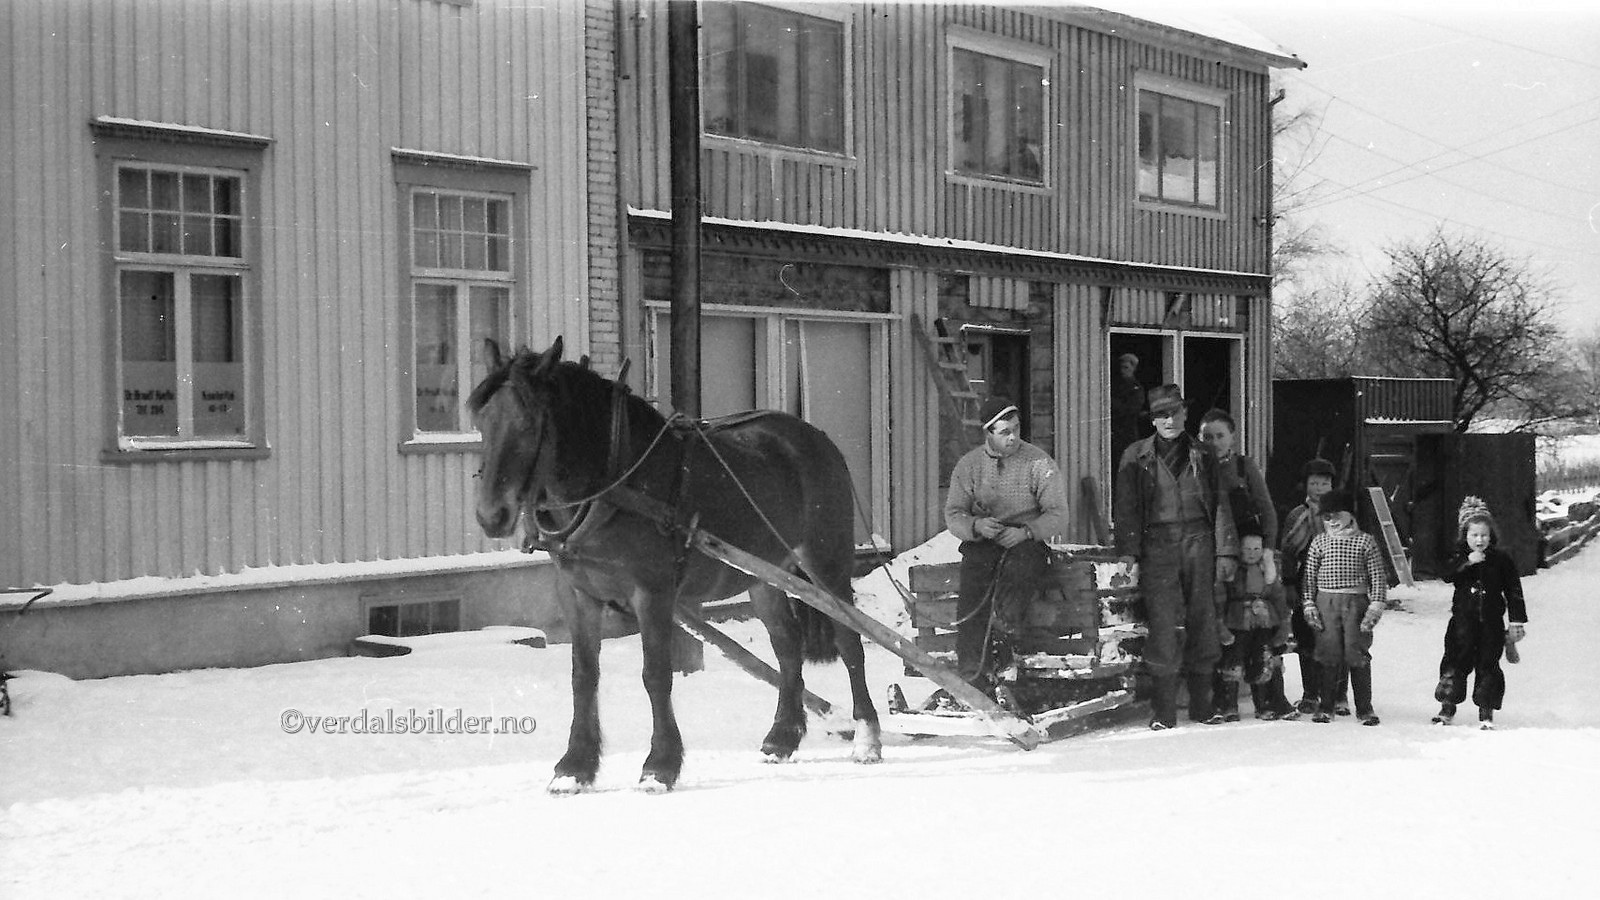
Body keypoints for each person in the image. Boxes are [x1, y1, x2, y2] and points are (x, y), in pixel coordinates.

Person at [1114, 384, 1239, 730]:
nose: (1169, 420)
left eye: (1174, 412)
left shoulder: (1203, 454)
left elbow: (1220, 503)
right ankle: (1164, 709)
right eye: (1161, 415)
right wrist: (1128, 551)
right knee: (1163, 621)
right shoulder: (1136, 456)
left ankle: (1202, 704)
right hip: (1158, 545)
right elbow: (1126, 508)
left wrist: (1225, 549)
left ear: (1185, 413)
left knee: (1203, 617)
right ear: (1152, 420)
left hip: (1199, 541)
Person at [943, 396, 1070, 699]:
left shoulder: (1039, 463)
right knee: (972, 595)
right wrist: (976, 526)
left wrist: (1027, 532)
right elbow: (954, 514)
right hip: (984, 543)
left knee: (1019, 574)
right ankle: (972, 674)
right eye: (1004, 432)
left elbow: (1058, 514)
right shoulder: (969, 466)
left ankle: (1004, 659)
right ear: (988, 433)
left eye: (1016, 429)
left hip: (1025, 544)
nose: (1013, 437)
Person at [1434, 497, 1528, 730]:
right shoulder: (1458, 557)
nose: (1479, 540)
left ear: (1491, 535)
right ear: (1464, 535)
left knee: (1488, 664)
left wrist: (1516, 620)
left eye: (1484, 535)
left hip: (1491, 624)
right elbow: (1446, 574)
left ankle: (1486, 710)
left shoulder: (1501, 560)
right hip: (1462, 624)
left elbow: (1513, 590)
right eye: (1474, 535)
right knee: (1455, 662)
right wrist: (1466, 562)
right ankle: (1447, 706)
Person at [1300, 489, 1389, 725]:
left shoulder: (1365, 541)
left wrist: (1376, 605)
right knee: (1328, 652)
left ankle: (1364, 708)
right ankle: (1326, 705)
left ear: (1350, 514)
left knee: (1356, 652)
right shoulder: (1320, 542)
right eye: (1326, 517)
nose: (1332, 521)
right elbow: (1309, 577)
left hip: (1355, 603)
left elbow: (1377, 577)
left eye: (1337, 515)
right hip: (1326, 603)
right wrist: (1309, 603)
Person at [1278, 458, 1349, 716]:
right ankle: (1310, 693)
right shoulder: (1297, 516)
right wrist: (1288, 583)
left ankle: (1339, 695)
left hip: (1338, 583)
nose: (1319, 489)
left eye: (1324, 483)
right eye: (1314, 483)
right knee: (1306, 636)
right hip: (1305, 582)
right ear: (1306, 485)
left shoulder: (1343, 515)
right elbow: (1287, 551)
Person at [1215, 530, 1297, 721]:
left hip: (1264, 623)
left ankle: (1265, 704)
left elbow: (1278, 597)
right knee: (1232, 663)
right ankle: (1228, 705)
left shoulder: (1268, 570)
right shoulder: (1231, 570)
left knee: (1263, 661)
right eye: (1247, 549)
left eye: (1256, 549)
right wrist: (1220, 623)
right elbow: (1220, 597)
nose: (1252, 553)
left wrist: (1284, 623)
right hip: (1236, 621)